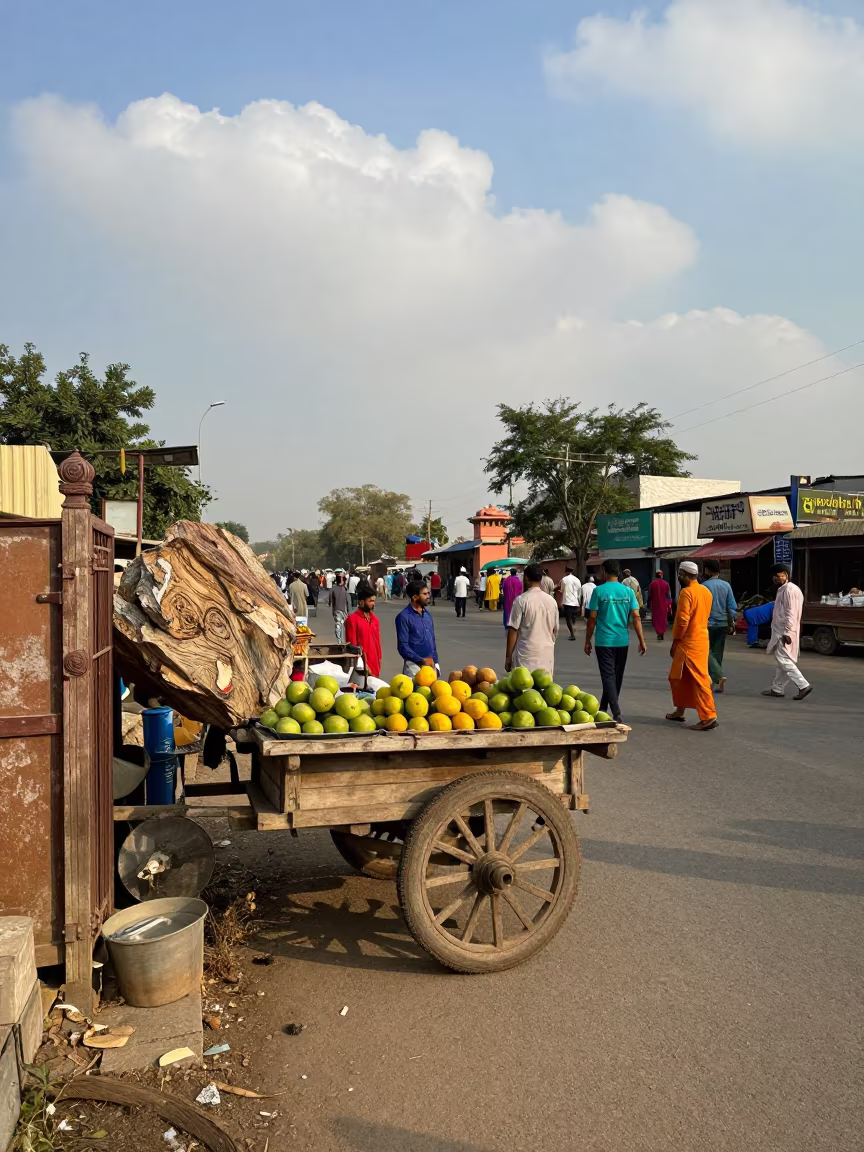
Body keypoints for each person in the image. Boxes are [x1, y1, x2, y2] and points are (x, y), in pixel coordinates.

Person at [584, 559, 645, 722]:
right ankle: (603, 709)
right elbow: (636, 618)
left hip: (604, 641)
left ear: (604, 571)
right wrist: (642, 640)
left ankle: (616, 713)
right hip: (622, 641)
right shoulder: (628, 592)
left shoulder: (599, 591)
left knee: (608, 677)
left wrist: (587, 640)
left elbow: (592, 619)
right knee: (615, 677)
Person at [666, 561, 717, 730]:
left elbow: (682, 621)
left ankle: (708, 716)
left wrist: (676, 641)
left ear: (685, 575)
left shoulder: (686, 593)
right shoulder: (705, 591)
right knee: (679, 676)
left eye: (680, 575)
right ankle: (680, 710)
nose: (679, 578)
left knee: (699, 679)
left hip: (688, 642)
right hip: (702, 639)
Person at [762, 564, 811, 700]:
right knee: (783, 661)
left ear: (785, 574)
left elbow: (792, 613)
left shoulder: (790, 590)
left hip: (784, 632)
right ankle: (777, 688)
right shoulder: (783, 589)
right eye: (774, 577)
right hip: (781, 630)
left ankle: (803, 685)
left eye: (778, 576)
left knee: (783, 659)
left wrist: (788, 633)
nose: (775, 579)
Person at [505, 563, 560, 676]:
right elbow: (555, 629)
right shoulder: (551, 601)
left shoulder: (521, 600)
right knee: (545, 689)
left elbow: (513, 630)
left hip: (526, 654)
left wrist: (508, 656)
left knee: (525, 689)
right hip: (546, 653)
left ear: (526, 578)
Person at [702, 559, 737, 693]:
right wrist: (731, 623)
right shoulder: (726, 585)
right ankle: (716, 682)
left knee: (705, 651)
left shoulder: (704, 586)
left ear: (707, 570)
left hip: (708, 623)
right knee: (718, 652)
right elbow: (731, 607)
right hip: (723, 622)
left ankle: (717, 676)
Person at [396, 579, 439, 676]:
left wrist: (435, 663)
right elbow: (403, 647)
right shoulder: (403, 617)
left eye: (428, 593)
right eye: (424, 594)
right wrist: (421, 660)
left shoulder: (428, 615)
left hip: (431, 667)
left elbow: (432, 641)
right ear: (415, 597)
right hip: (413, 668)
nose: (428, 596)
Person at [345, 582, 383, 677]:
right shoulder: (352, 619)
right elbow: (352, 645)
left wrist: (379, 660)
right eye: (370, 601)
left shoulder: (375, 620)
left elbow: (377, 642)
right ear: (361, 602)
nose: (373, 604)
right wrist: (363, 664)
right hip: (361, 666)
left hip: (375, 663)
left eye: (374, 601)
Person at [558, 566, 582, 641]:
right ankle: (573, 627)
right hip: (575, 602)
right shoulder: (577, 580)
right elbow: (579, 591)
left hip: (567, 601)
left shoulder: (564, 579)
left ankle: (572, 634)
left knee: (568, 618)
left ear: (566, 572)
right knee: (573, 617)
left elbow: (561, 590)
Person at [648, 570, 672, 641]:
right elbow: (668, 595)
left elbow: (650, 595)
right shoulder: (666, 584)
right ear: (662, 576)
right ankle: (661, 633)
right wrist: (669, 605)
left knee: (656, 619)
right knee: (663, 619)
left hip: (655, 605)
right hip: (664, 605)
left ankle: (659, 633)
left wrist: (649, 605)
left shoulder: (652, 584)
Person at [330, 572, 350, 643]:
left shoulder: (333, 589)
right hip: (343, 611)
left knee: (338, 625)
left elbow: (331, 601)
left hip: (336, 610)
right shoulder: (344, 589)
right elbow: (348, 602)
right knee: (343, 626)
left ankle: (339, 640)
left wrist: (333, 611)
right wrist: (348, 611)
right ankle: (342, 640)